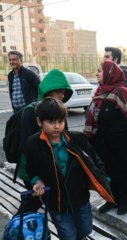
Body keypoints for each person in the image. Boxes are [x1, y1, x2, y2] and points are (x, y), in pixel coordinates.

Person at [26, 97, 114, 240]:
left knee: (86, 228)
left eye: (60, 121)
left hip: (81, 199)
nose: (57, 126)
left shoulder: (78, 139)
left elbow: (94, 160)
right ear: (39, 122)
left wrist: (102, 177)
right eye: (51, 121)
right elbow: (31, 168)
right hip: (57, 203)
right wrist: (37, 181)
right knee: (67, 235)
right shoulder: (33, 144)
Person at [14, 69, 73, 216]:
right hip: (32, 168)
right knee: (34, 200)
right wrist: (37, 174)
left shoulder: (59, 110)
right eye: (58, 91)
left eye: (64, 92)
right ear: (47, 91)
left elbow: (65, 139)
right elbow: (26, 145)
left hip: (52, 166)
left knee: (40, 199)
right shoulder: (31, 111)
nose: (62, 95)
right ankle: (15, 229)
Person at [85, 60, 127, 215]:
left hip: (118, 143)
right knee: (107, 173)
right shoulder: (99, 92)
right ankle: (111, 200)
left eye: (99, 71)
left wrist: (112, 134)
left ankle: (124, 202)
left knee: (121, 173)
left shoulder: (121, 92)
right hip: (101, 142)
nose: (96, 74)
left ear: (109, 74)